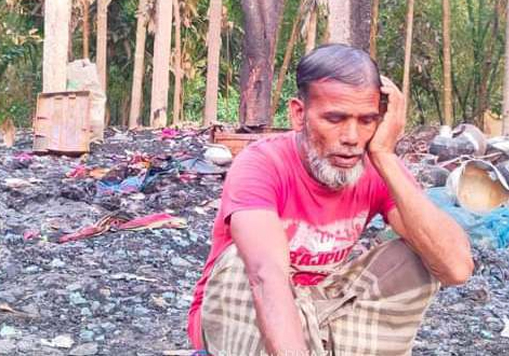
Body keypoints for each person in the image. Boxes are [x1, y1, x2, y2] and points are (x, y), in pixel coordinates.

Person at [187, 44, 473, 355]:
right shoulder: (262, 164)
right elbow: (265, 276)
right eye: (335, 119)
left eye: (367, 120)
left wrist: (384, 155)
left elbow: (456, 269)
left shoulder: (375, 165)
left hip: (323, 306)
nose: (351, 137)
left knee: (419, 254)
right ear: (299, 114)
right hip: (246, 315)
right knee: (243, 261)